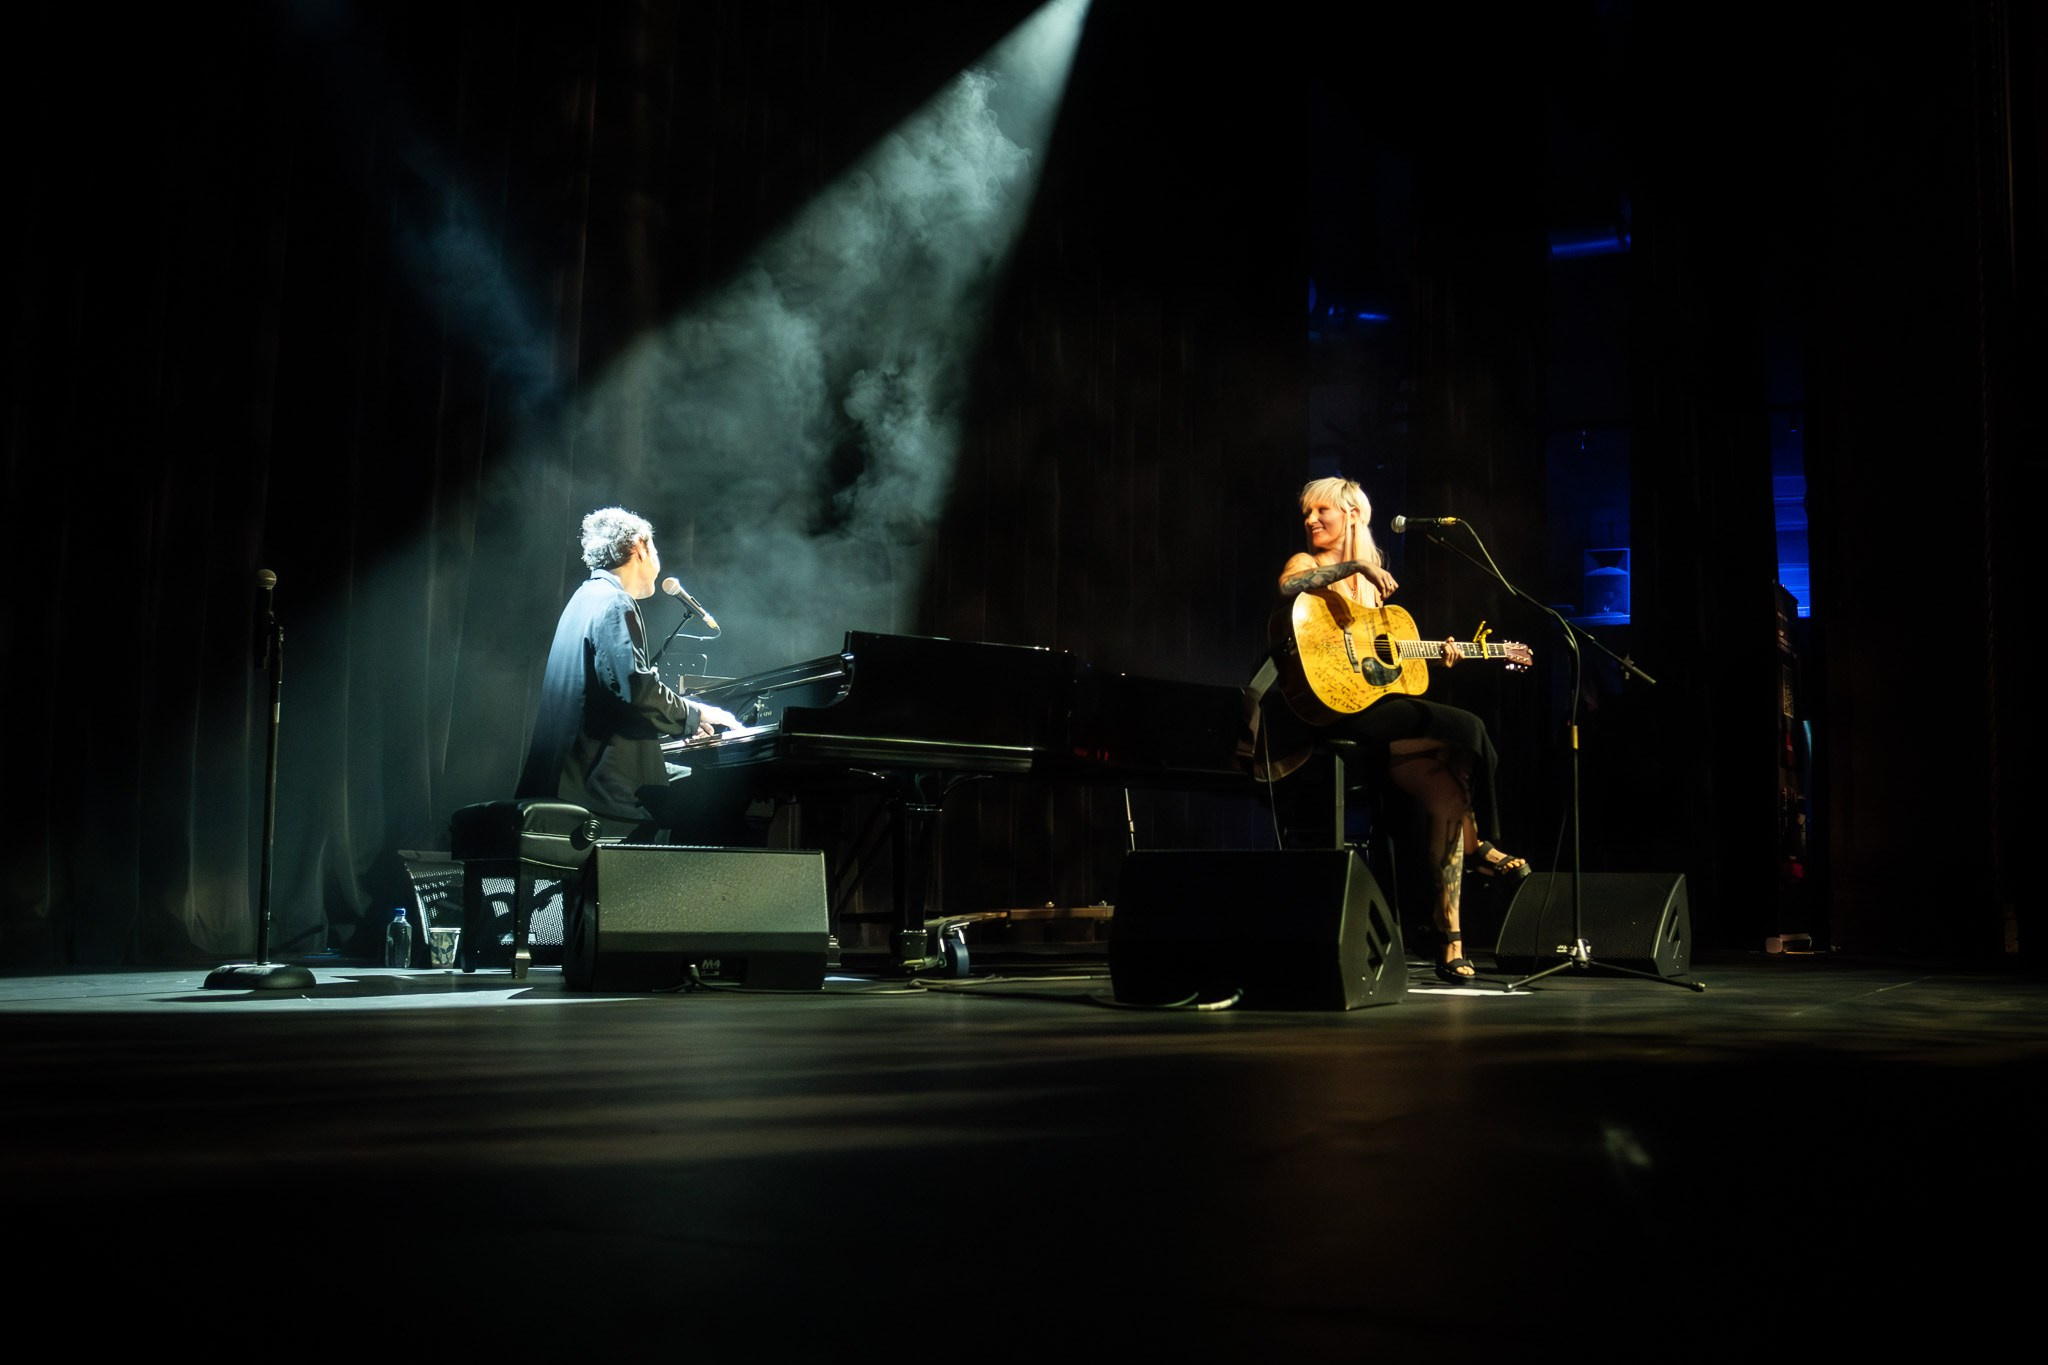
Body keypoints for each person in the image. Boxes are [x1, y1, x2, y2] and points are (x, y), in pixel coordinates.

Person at [1270, 476, 1530, 983]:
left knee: (1449, 788)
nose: (1310, 521)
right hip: (1331, 711)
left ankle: (1449, 935)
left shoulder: (1374, 584)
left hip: (1376, 710)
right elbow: (1286, 588)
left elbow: (1389, 672)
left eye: (1320, 511)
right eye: (1306, 514)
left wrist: (1449, 652)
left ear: (1351, 515)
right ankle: (1484, 848)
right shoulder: (1309, 566)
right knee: (1469, 728)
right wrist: (1356, 565)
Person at [517, 506, 742, 839]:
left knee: (693, 785)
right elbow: (637, 692)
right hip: (600, 787)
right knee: (719, 792)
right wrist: (697, 715)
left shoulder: (584, 598)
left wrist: (681, 721)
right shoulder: (614, 603)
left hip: (571, 775)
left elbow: (616, 696)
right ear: (640, 546)